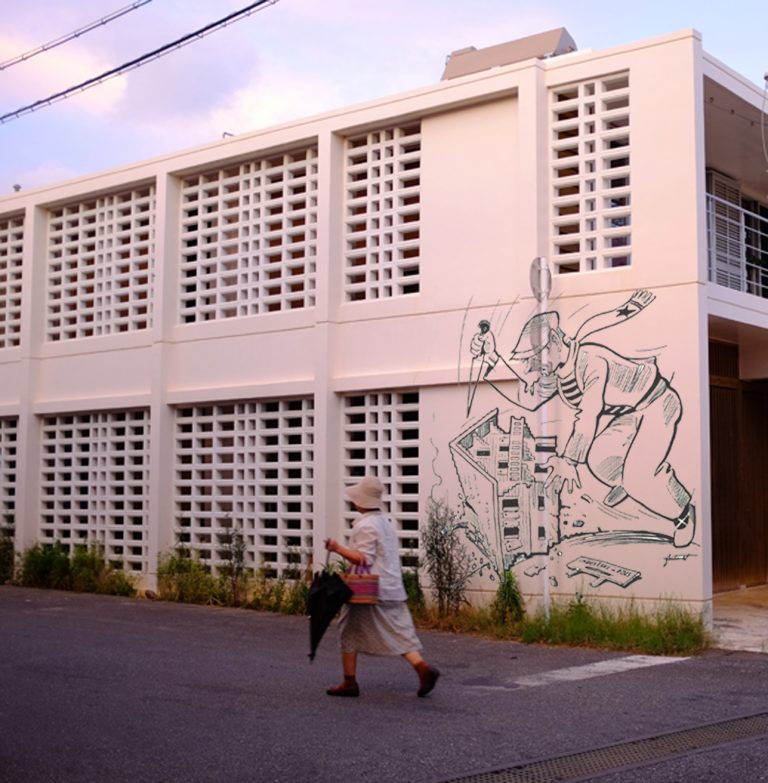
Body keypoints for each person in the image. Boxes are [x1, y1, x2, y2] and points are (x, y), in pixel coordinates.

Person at [324, 475, 440, 698]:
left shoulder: (365, 525)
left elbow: (363, 559)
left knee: (348, 627)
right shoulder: (383, 522)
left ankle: (349, 682)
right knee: (399, 631)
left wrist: (337, 548)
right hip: (392, 586)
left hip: (368, 589)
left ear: (361, 501)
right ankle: (422, 667)